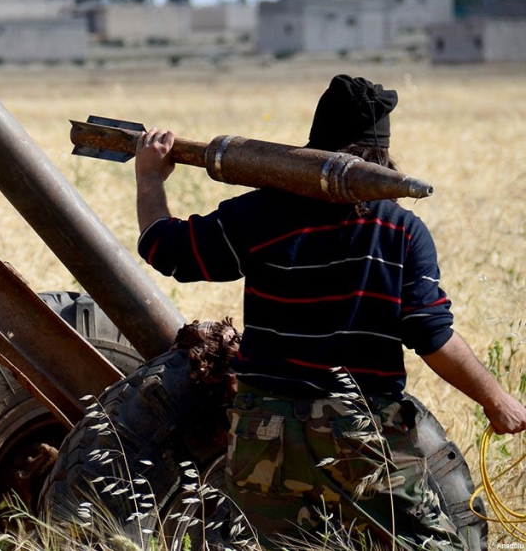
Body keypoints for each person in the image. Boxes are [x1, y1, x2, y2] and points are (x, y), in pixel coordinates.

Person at [134, 75, 526, 549]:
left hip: (265, 436)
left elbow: (166, 249)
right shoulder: (400, 231)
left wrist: (149, 177)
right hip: (359, 435)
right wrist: (495, 400)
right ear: (382, 158)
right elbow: (432, 336)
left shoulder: (260, 215)